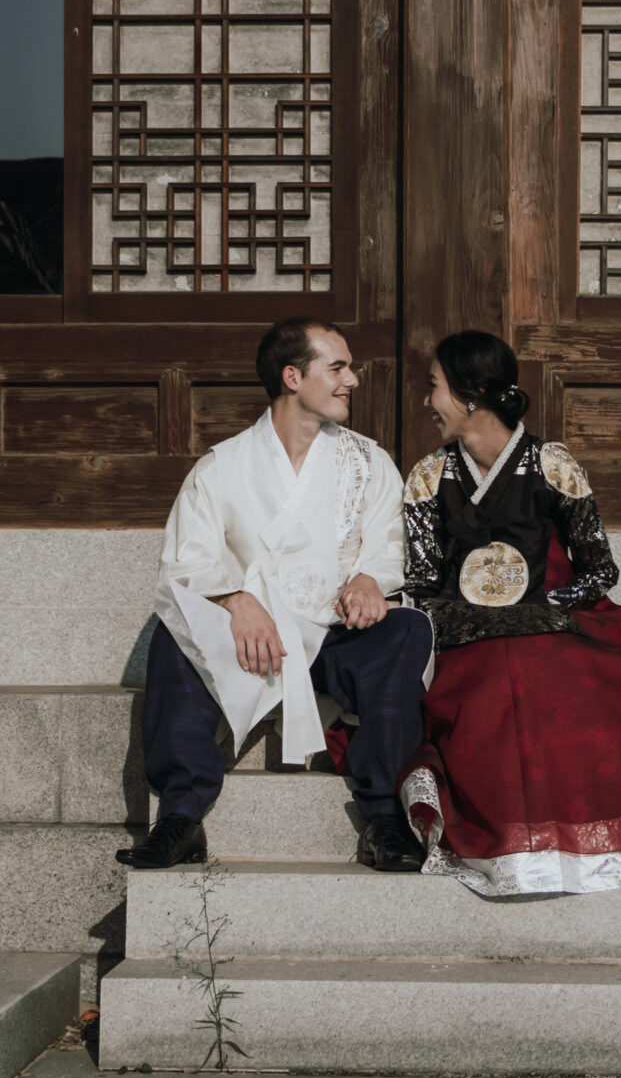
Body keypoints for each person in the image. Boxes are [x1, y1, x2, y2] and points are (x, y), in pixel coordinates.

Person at [397, 330, 621, 902]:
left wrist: (546, 607)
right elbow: (420, 583)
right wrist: (472, 618)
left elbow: (599, 570)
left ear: (471, 396)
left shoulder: (553, 464)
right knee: (502, 676)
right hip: (465, 626)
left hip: (554, 612)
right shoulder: (427, 477)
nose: (426, 401)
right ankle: (514, 848)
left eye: (434, 388)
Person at [119, 316, 431, 873]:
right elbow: (184, 562)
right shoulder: (221, 466)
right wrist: (236, 600)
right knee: (173, 633)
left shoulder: (369, 461)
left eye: (350, 368)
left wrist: (368, 580)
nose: (353, 380)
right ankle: (179, 817)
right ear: (293, 376)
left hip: (336, 637)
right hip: (256, 643)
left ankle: (385, 817)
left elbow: (388, 548)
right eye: (337, 368)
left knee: (407, 630)